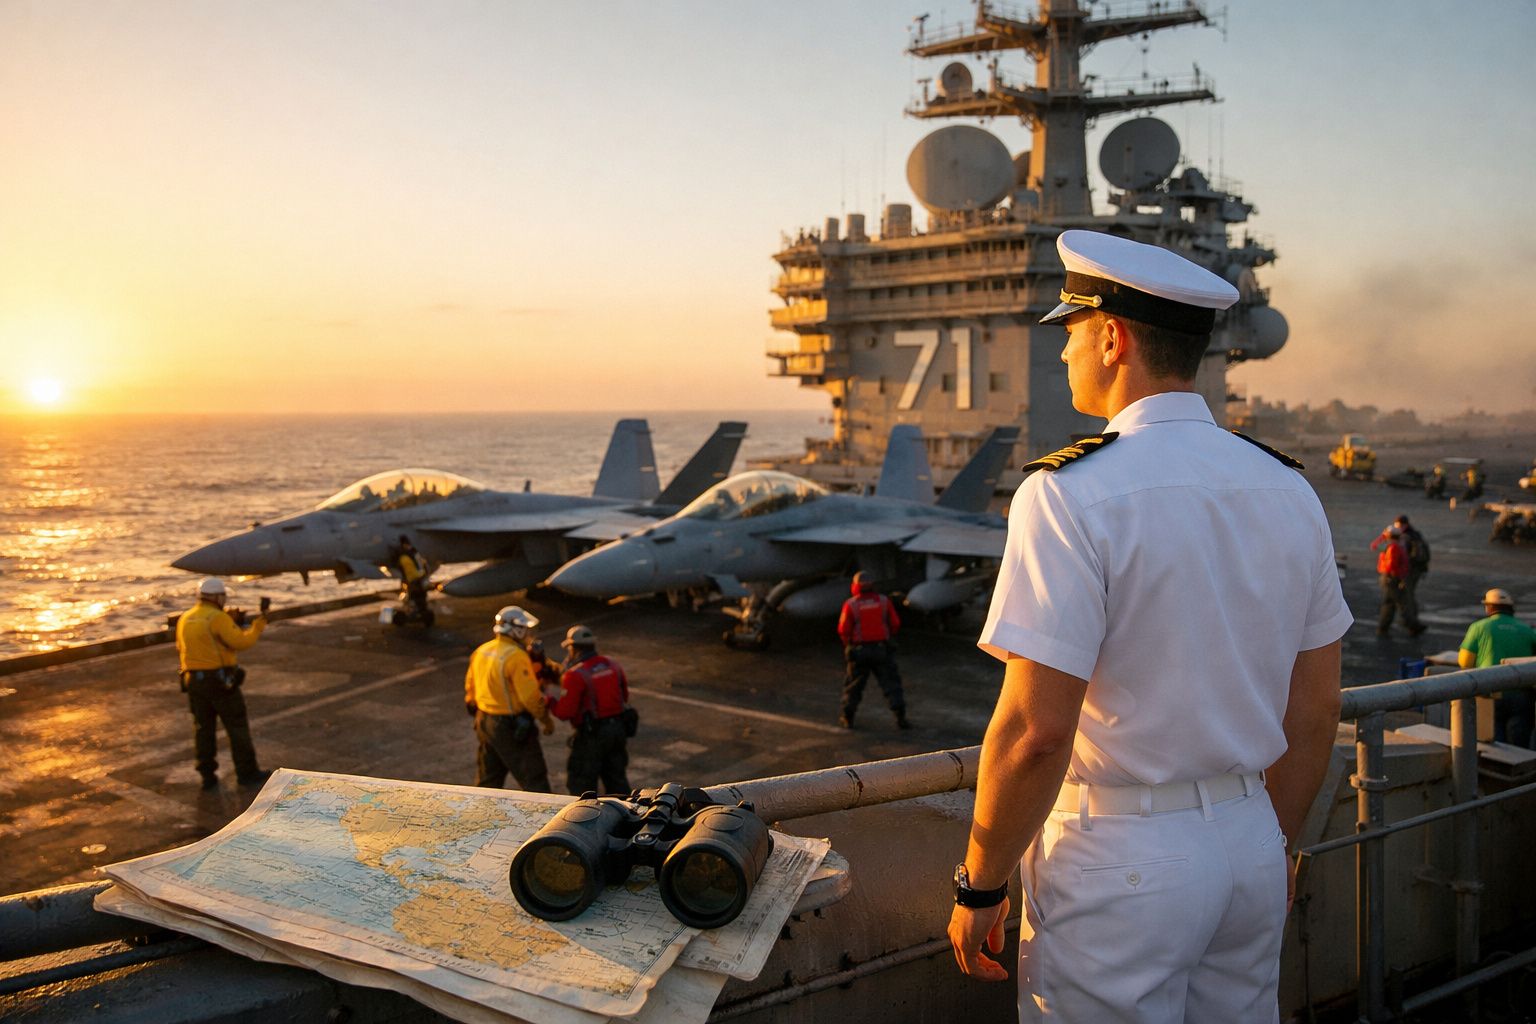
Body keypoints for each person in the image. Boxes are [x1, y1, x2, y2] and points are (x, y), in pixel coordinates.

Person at [948, 229, 1352, 1021]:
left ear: (1111, 336)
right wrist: (1274, 842)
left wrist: (981, 882)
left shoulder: (1066, 494)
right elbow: (1317, 711)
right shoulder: (1286, 489)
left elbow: (1034, 731)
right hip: (1252, 844)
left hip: (1121, 861)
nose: (1063, 354)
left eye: (1068, 333)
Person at [175, 578, 273, 791]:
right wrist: (258, 625)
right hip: (219, 683)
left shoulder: (186, 617)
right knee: (236, 726)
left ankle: (207, 774)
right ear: (218, 597)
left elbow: (183, 647)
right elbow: (241, 642)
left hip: (193, 682)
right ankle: (247, 773)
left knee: (203, 728)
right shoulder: (218, 618)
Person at [465, 606, 553, 792]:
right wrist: (546, 721)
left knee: (488, 782)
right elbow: (531, 697)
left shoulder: (481, 651)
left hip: (485, 722)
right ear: (515, 629)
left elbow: (470, 689)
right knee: (535, 783)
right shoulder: (516, 657)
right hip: (511, 727)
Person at [549, 625, 633, 796]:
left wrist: (549, 701)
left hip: (591, 736)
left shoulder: (575, 675)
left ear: (573, 648)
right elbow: (624, 696)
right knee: (617, 781)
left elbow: (565, 713)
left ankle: (586, 819)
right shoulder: (613, 665)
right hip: (617, 731)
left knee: (581, 785)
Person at [1459, 588, 1536, 748]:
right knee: (1520, 741)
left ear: (1489, 607)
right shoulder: (1527, 630)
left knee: (1494, 741)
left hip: (1490, 691)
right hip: (1521, 693)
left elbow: (1465, 661)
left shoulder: (1479, 627)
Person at [836, 571, 910, 729]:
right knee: (891, 685)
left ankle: (847, 718)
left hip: (859, 652)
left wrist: (848, 645)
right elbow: (895, 624)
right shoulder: (884, 601)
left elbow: (843, 629)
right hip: (881, 650)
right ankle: (900, 718)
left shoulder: (851, 604)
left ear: (855, 586)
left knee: (853, 687)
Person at [1371, 524, 1423, 636]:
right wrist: (1400, 578)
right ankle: (1412, 626)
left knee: (1389, 604)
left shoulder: (1391, 546)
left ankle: (1383, 628)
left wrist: (1383, 535)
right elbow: (1392, 565)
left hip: (1389, 578)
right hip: (1393, 579)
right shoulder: (1394, 547)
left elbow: (1375, 545)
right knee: (1402, 603)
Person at [1395, 514, 1431, 628]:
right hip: (1418, 569)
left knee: (1407, 595)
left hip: (1410, 570)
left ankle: (1411, 620)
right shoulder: (1415, 534)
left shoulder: (1405, 537)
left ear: (1403, 524)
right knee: (1409, 594)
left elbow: (1403, 555)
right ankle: (1411, 618)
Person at [393, 535, 431, 621]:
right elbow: (423, 564)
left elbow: (404, 568)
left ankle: (416, 614)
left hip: (414, 581)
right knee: (420, 599)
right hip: (419, 579)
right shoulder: (414, 552)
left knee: (415, 598)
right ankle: (421, 613)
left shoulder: (403, 556)